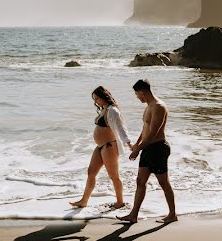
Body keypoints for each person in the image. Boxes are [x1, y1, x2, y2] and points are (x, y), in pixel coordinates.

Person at [117, 78, 177, 224]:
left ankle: (172, 214)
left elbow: (153, 133)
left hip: (157, 148)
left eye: (137, 94)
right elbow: (145, 129)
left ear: (142, 92)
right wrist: (136, 144)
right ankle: (133, 215)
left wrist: (137, 150)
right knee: (140, 181)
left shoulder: (158, 107)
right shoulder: (149, 105)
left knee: (163, 183)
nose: (137, 97)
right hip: (148, 148)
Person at [70, 86, 132, 209]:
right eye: (94, 99)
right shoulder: (104, 109)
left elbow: (121, 129)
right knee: (91, 172)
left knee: (113, 176)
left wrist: (129, 143)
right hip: (100, 146)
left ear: (104, 96)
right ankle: (84, 201)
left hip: (109, 146)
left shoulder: (113, 110)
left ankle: (120, 202)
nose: (95, 102)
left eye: (97, 98)